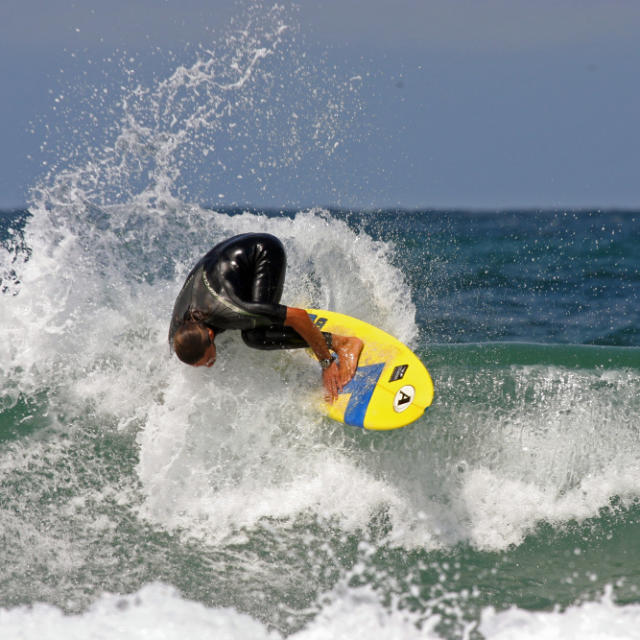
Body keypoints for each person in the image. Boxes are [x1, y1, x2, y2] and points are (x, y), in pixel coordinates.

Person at [168, 233, 363, 401]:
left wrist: (327, 362)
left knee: (255, 336)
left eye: (209, 360)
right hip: (222, 263)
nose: (210, 365)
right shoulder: (177, 332)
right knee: (254, 321)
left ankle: (343, 343)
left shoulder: (230, 312)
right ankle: (269, 314)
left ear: (210, 334)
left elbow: (299, 316)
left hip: (262, 252)